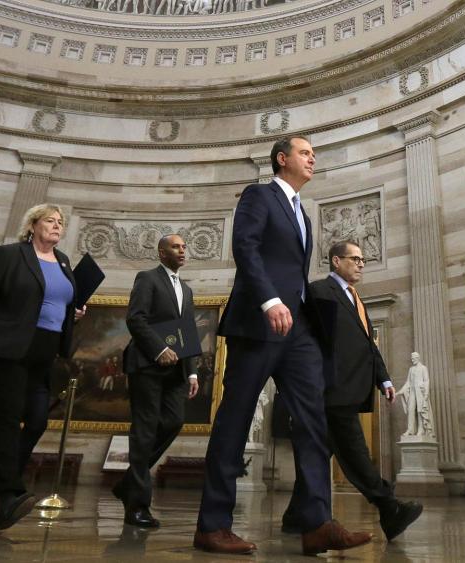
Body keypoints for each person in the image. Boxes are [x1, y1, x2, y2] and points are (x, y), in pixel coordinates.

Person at [194, 137, 371, 556]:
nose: (313, 158)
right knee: (235, 419)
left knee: (313, 419)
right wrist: (268, 299)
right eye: (305, 153)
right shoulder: (259, 195)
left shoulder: (303, 214)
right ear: (282, 159)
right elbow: (246, 247)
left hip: (298, 330)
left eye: (313, 154)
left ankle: (317, 524)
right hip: (259, 322)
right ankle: (212, 526)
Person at [0, 204, 86, 530]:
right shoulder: (9, 255)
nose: (57, 226)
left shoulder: (64, 262)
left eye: (60, 222)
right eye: (50, 220)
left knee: (31, 421)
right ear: (32, 224)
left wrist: (73, 314)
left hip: (43, 353)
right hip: (2, 350)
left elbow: (56, 304)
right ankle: (9, 492)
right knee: (5, 422)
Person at [283, 241, 423, 542]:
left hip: (350, 388)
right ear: (336, 261)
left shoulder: (355, 297)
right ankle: (388, 507)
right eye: (355, 258)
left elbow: (367, 343)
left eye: (362, 260)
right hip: (331, 388)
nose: (361, 264)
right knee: (355, 451)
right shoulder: (320, 291)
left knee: (319, 455)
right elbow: (312, 342)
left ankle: (295, 518)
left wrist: (384, 379)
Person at [113, 234, 200, 528]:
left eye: (184, 247)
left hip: (176, 371)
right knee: (145, 431)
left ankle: (128, 483)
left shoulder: (187, 290)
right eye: (176, 247)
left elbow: (187, 330)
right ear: (162, 252)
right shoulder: (147, 278)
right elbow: (135, 319)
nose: (182, 251)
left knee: (174, 421)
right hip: (146, 365)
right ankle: (137, 506)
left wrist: (192, 372)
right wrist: (159, 349)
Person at [399, 352, 435, 438]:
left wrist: (426, 393)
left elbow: (426, 380)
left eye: (413, 358)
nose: (412, 360)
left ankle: (421, 429)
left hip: (420, 392)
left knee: (420, 410)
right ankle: (410, 430)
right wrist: (401, 390)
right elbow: (408, 382)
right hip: (412, 391)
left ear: (418, 358)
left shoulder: (423, 368)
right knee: (411, 409)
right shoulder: (411, 369)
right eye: (412, 359)